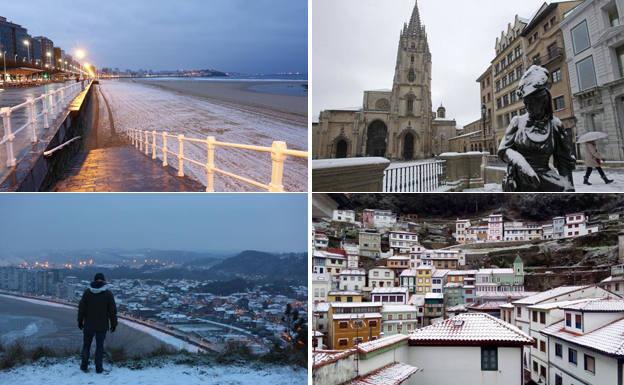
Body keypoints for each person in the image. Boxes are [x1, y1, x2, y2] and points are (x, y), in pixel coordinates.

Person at [498, 65, 576, 192]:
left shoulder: (555, 125)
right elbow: (503, 150)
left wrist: (569, 189)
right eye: (525, 103)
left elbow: (564, 163)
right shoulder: (517, 122)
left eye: (531, 103)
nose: (527, 107)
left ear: (543, 102)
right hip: (519, 181)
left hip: (546, 181)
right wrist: (520, 162)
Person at [78, 273, 117, 373]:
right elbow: (112, 311)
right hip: (102, 325)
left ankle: (84, 366)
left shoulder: (87, 292)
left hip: (88, 325)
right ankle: (98, 368)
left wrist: (80, 321)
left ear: (94, 280)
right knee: (100, 347)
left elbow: (81, 309)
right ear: (103, 280)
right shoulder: (108, 294)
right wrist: (113, 324)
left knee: (86, 345)